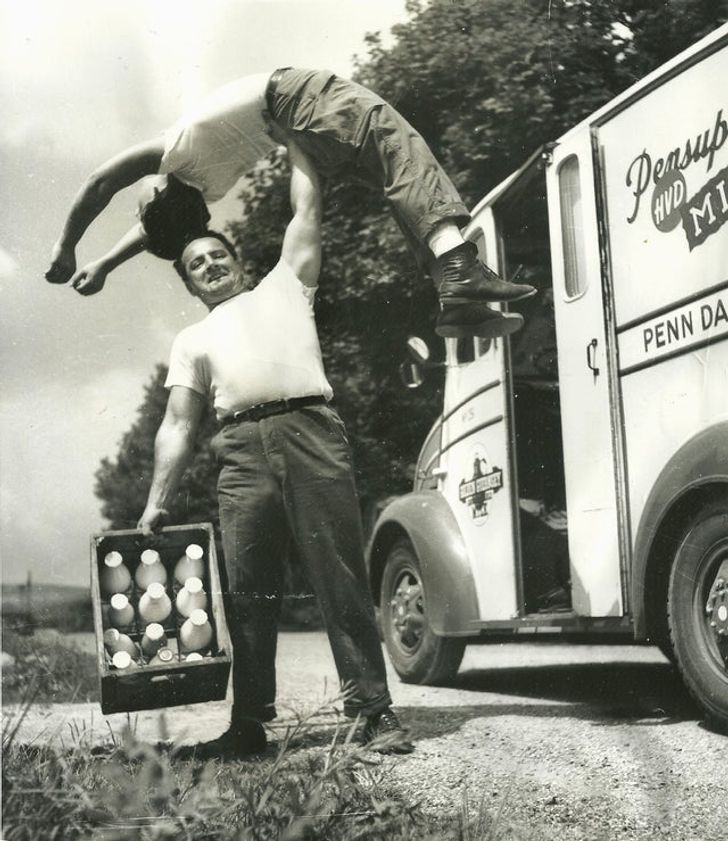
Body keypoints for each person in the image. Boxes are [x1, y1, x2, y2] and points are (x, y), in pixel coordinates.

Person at [137, 138, 412, 758]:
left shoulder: (285, 287)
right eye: (196, 265)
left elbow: (306, 209)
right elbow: (178, 424)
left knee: (339, 575)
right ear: (189, 284)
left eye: (216, 255)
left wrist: (298, 145)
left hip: (310, 432)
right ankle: (248, 726)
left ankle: (374, 712)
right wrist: (157, 502)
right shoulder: (193, 340)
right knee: (248, 591)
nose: (209, 265)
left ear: (237, 260)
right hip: (239, 449)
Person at [45, 67, 534, 338]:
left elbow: (155, 232)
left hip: (295, 126)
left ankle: (454, 295)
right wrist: (67, 248)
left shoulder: (205, 191)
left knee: (396, 176)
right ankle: (457, 269)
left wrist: (107, 262)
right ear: (161, 199)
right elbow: (99, 181)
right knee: (398, 147)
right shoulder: (177, 152)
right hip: (298, 100)